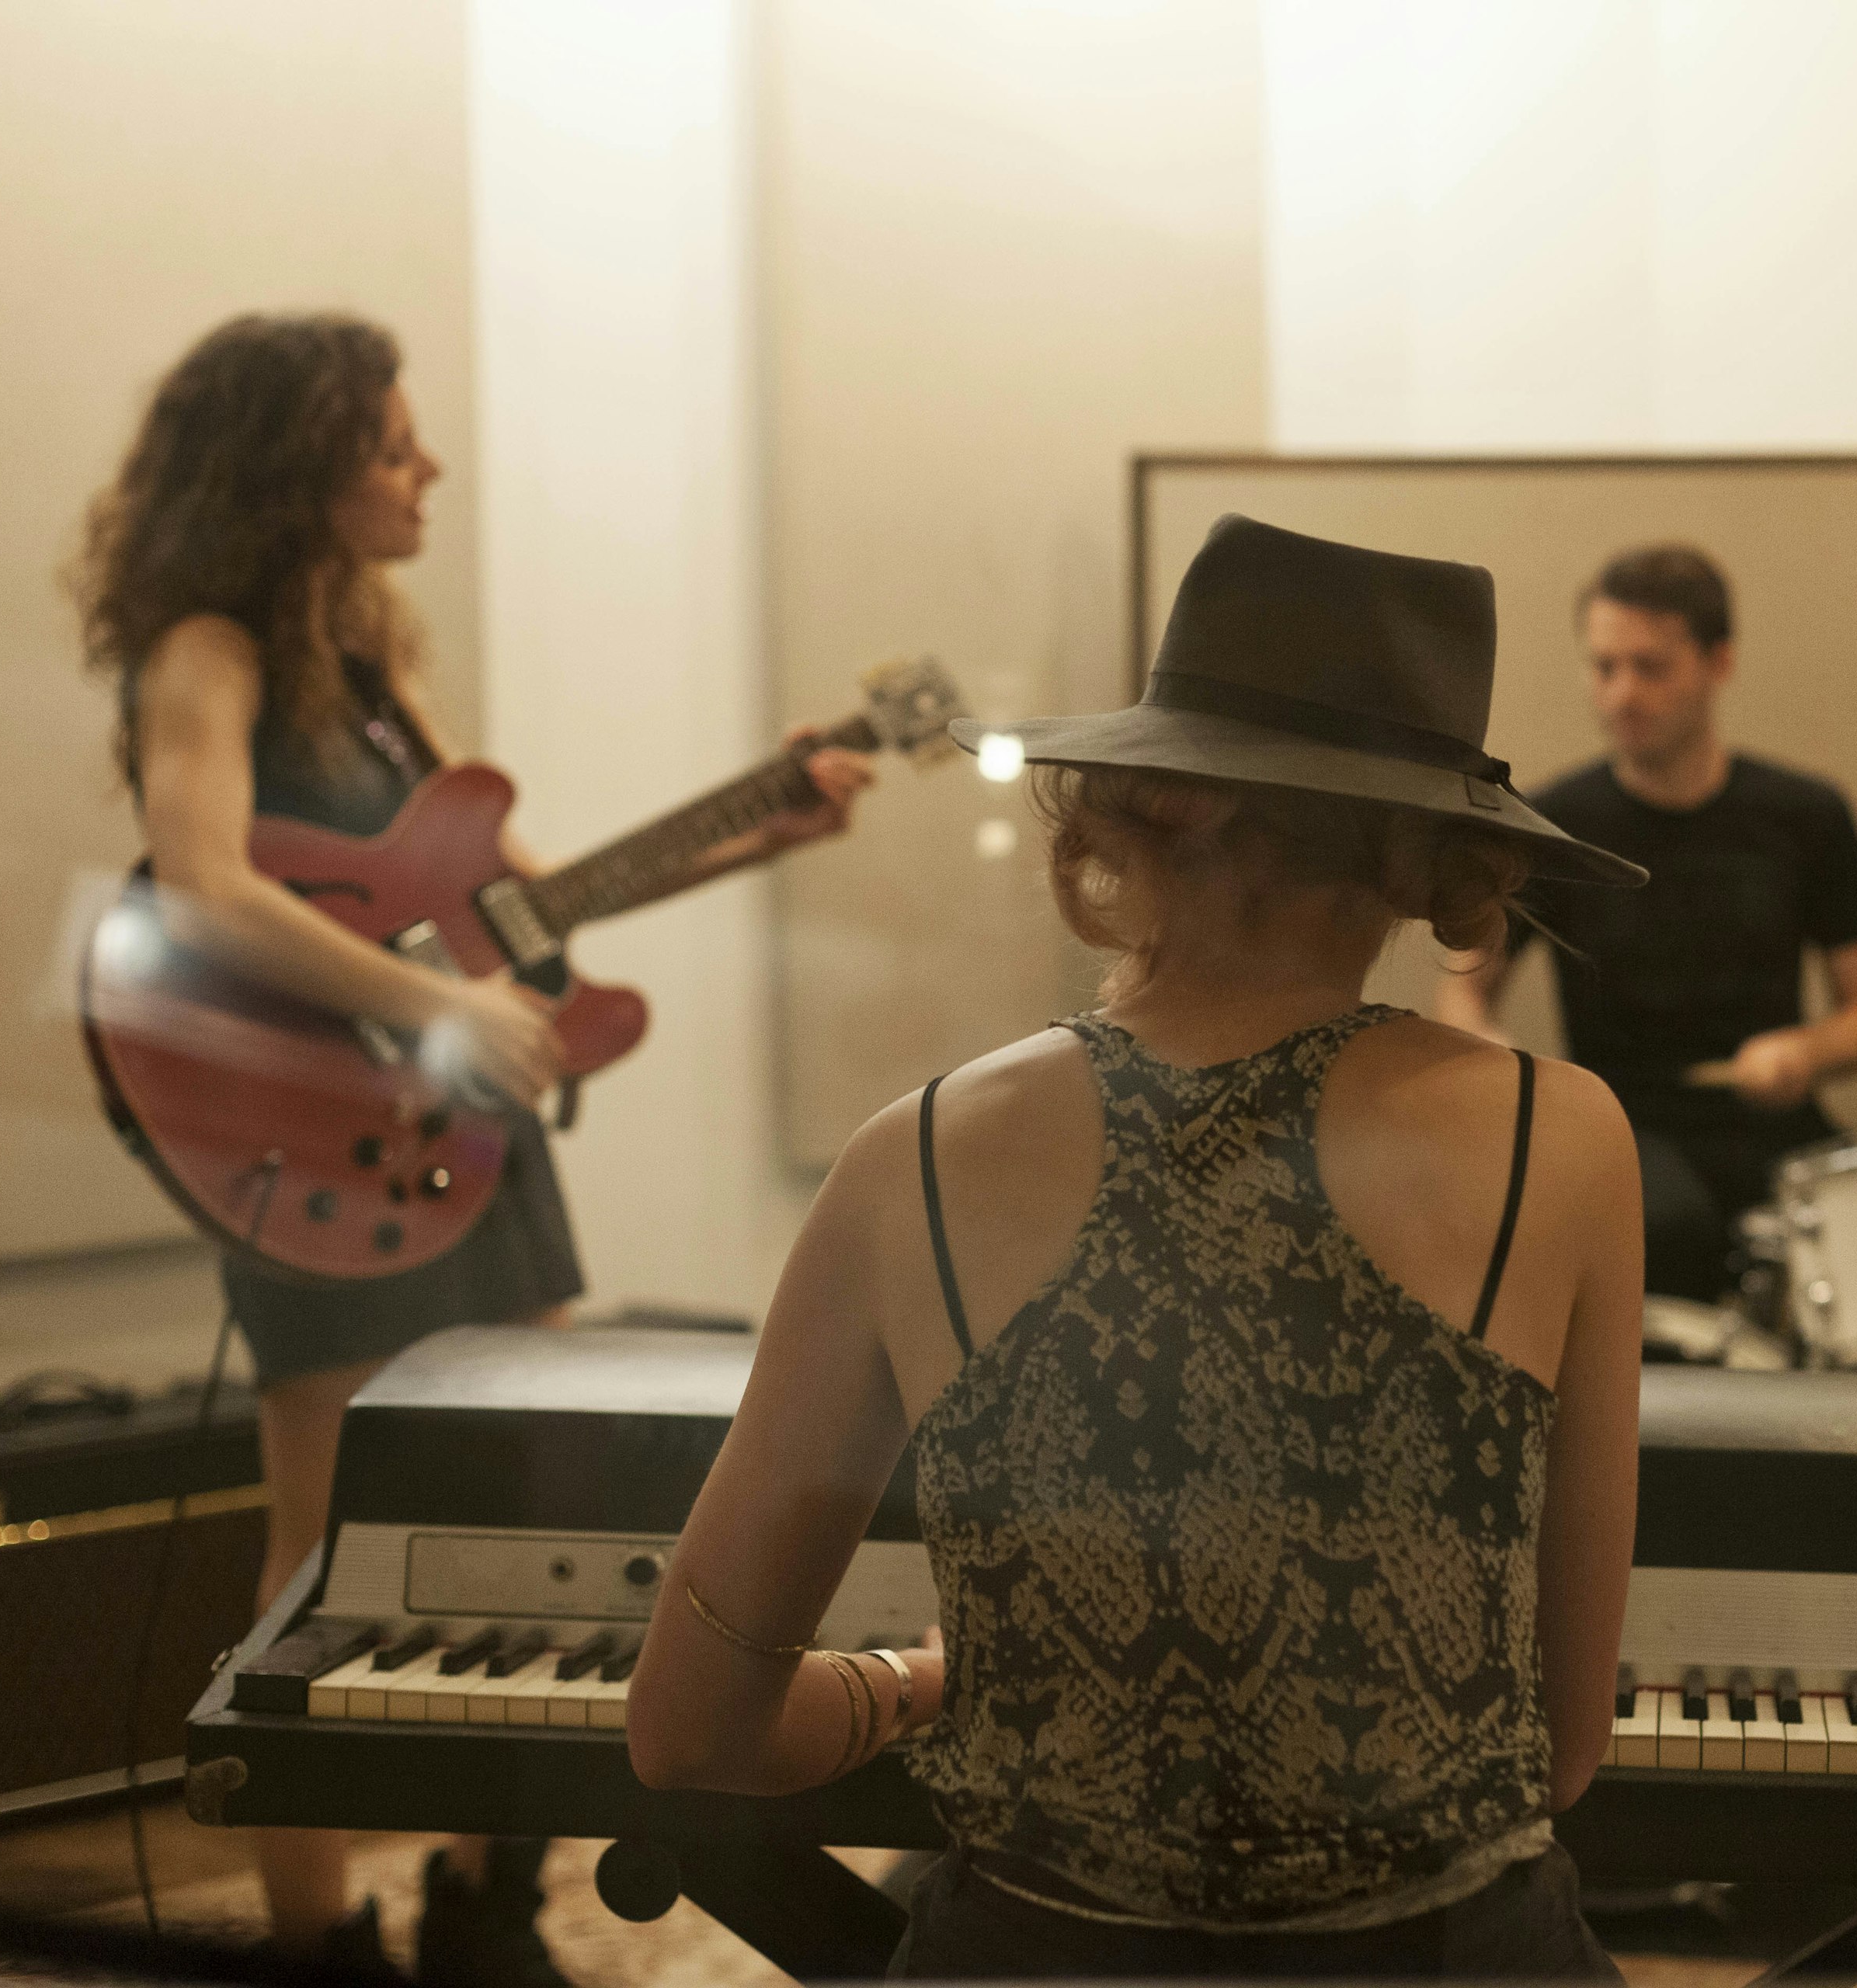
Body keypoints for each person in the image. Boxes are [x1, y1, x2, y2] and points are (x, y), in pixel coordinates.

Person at [626, 515, 1647, 1977]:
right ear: (1433, 855)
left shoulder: (908, 1158)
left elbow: (686, 1732)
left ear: (1140, 807)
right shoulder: (1570, 1138)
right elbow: (1555, 1755)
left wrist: (910, 1687)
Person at [73, 312, 871, 1986]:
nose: (426, 467)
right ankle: (316, 1941)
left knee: (527, 1496)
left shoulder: (375, 674)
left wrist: (759, 825)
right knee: (320, 1560)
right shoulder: (203, 651)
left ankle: (483, 1902)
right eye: (391, 444)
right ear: (299, 470)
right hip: (313, 1152)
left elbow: (522, 893)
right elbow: (202, 879)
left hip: (468, 1149)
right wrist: (425, 1014)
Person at [1435, 544, 1857, 1303]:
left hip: (1769, 1127)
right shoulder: (1553, 827)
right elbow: (1462, 994)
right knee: (1671, 1228)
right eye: (1604, 666)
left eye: (1650, 667)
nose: (1621, 694)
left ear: (1720, 662)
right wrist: (1503, 1065)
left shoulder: (1807, 815)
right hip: (1619, 1132)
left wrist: (1804, 1050)